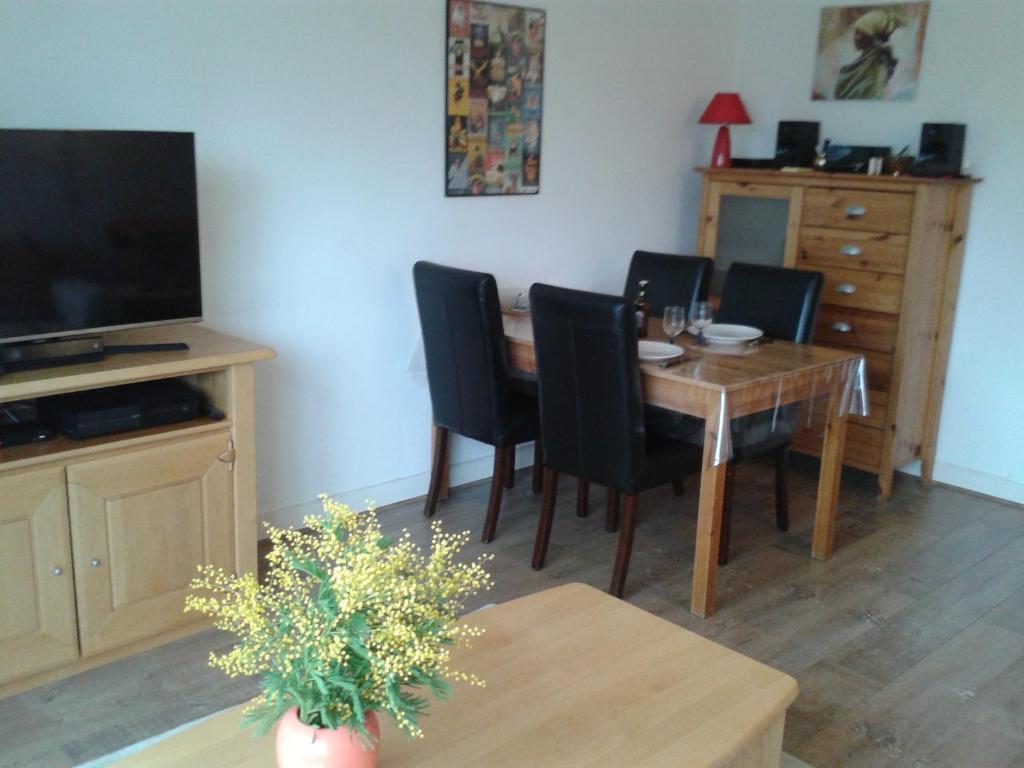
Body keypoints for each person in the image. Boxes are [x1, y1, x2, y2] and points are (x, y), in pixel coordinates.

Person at [835, 9, 905, 99]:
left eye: (861, 33)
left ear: (873, 38)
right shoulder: (861, 63)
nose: (855, 38)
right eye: (856, 32)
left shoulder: (877, 68)